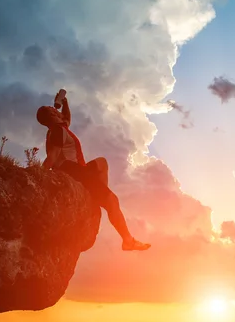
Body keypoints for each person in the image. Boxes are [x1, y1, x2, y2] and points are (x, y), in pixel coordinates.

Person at [36, 92, 151, 251]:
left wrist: (65, 101)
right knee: (112, 201)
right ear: (50, 115)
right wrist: (37, 174)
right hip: (73, 171)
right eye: (52, 109)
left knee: (101, 163)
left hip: (80, 169)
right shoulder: (57, 131)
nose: (56, 110)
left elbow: (67, 118)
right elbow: (52, 157)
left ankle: (100, 195)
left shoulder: (60, 128)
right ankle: (127, 240)